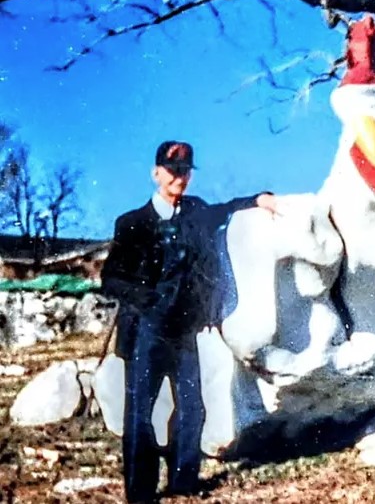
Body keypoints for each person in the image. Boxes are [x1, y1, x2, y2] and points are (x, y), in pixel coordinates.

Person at [101, 141, 276, 503]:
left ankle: (184, 482)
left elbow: (227, 209)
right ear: (156, 173)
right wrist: (147, 300)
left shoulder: (196, 212)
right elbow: (111, 278)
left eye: (185, 171)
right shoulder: (132, 222)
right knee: (140, 414)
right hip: (145, 331)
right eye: (172, 170)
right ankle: (140, 492)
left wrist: (259, 199)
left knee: (192, 406)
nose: (180, 177)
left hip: (183, 332)